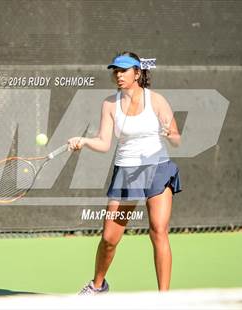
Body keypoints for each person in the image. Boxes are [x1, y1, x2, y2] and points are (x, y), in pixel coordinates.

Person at [68, 51, 182, 294]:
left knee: (158, 230)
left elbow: (177, 140)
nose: (118, 75)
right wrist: (84, 141)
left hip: (158, 168)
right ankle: (97, 286)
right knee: (109, 239)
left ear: (137, 73)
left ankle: (165, 299)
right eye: (115, 71)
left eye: (123, 70)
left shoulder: (157, 101)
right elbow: (104, 142)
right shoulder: (110, 104)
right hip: (126, 172)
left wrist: (168, 133)